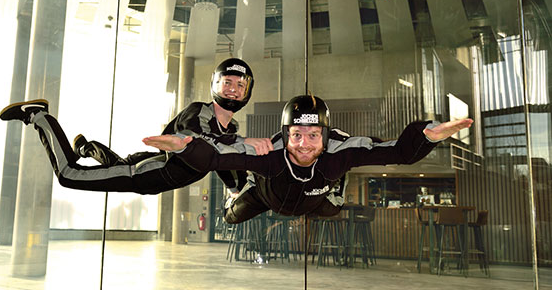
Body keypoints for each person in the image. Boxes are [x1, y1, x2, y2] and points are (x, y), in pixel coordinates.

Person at [143, 95, 473, 224]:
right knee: (230, 218)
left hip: (316, 199)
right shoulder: (270, 153)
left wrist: (428, 134)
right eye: (296, 135)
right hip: (266, 195)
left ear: (325, 135)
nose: (303, 145)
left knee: (334, 209)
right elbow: (217, 156)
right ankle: (238, 192)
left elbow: (397, 152)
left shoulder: (340, 150)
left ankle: (335, 188)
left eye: (314, 135)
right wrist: (185, 145)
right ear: (285, 133)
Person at [0, 58, 272, 195]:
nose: (234, 90)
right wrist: (245, 144)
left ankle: (83, 147)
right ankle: (39, 117)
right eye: (228, 82)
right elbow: (197, 143)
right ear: (216, 84)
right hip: (139, 173)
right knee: (69, 175)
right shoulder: (199, 111)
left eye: (240, 85)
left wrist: (238, 187)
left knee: (112, 162)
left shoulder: (231, 130)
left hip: (147, 174)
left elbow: (225, 164)